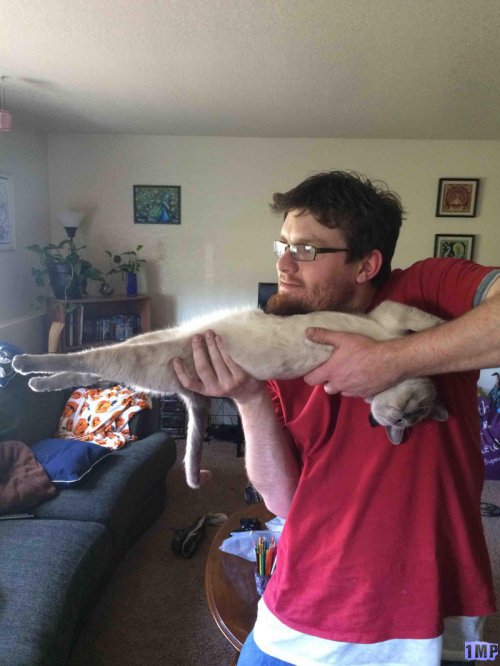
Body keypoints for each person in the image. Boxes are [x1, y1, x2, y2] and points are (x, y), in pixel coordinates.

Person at [173, 171, 500, 666]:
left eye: (306, 250)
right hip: (297, 613)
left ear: (367, 264)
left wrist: (391, 360)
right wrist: (248, 398)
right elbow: (284, 501)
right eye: (282, 245)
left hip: (433, 619)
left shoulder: (426, 287)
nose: (284, 264)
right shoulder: (279, 346)